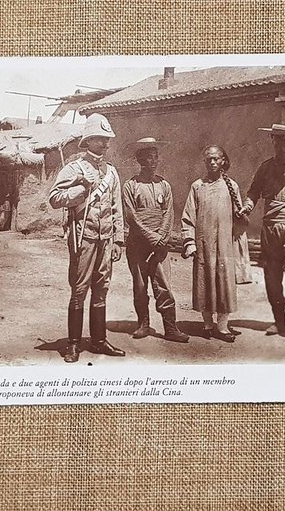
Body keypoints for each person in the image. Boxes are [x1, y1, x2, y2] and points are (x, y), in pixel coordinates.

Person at [48, 113, 125, 363]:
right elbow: (54, 199)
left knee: (101, 289)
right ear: (88, 140)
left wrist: (119, 240)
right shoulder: (74, 168)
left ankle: (99, 341)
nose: (105, 143)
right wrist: (82, 189)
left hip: (106, 238)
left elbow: (117, 207)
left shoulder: (111, 172)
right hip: (84, 237)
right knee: (79, 290)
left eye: (107, 139)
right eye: (100, 138)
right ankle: (73, 344)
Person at [236, 124, 285, 343]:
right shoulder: (265, 168)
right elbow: (254, 192)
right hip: (270, 228)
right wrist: (247, 207)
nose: (282, 144)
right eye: (278, 140)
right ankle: (279, 322)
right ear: (272, 140)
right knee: (272, 277)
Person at [181, 146, 251, 342]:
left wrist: (241, 216)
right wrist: (190, 242)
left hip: (224, 246)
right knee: (204, 283)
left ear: (223, 161)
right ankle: (207, 325)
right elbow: (188, 217)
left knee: (224, 284)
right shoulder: (197, 186)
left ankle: (222, 326)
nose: (212, 162)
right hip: (204, 245)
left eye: (216, 159)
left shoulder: (231, 186)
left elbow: (239, 219)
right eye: (208, 159)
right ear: (205, 162)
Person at [122, 138, 188, 343]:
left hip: (160, 244)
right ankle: (143, 324)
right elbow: (131, 216)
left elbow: (169, 212)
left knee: (163, 285)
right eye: (148, 157)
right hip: (138, 243)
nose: (153, 161)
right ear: (140, 160)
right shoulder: (131, 185)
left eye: (155, 157)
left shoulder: (164, 185)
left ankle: (171, 328)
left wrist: (162, 237)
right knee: (140, 285)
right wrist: (151, 237)